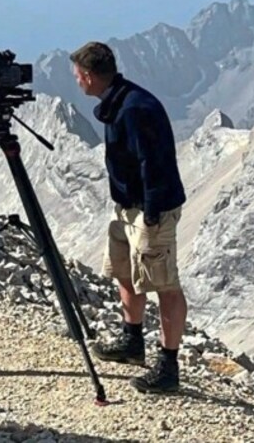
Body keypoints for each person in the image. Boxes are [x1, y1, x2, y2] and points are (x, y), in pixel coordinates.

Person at [69, 41, 188, 394]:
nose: (76, 82)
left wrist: (151, 212)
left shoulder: (135, 108)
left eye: (77, 76)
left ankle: (168, 366)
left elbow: (153, 162)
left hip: (152, 210)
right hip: (127, 208)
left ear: (89, 76)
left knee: (164, 283)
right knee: (125, 270)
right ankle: (131, 340)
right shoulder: (118, 101)